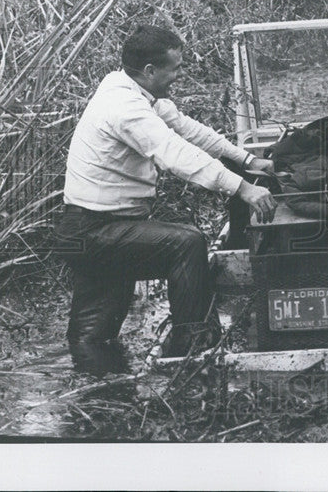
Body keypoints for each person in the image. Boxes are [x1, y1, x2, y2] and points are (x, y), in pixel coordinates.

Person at [57, 25, 277, 375]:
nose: (179, 74)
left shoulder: (131, 89)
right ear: (149, 71)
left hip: (104, 228)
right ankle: (191, 352)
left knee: (93, 339)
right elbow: (175, 153)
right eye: (175, 68)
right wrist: (243, 189)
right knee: (186, 244)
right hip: (93, 232)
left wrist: (248, 161)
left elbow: (187, 130)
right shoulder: (125, 108)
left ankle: (92, 393)